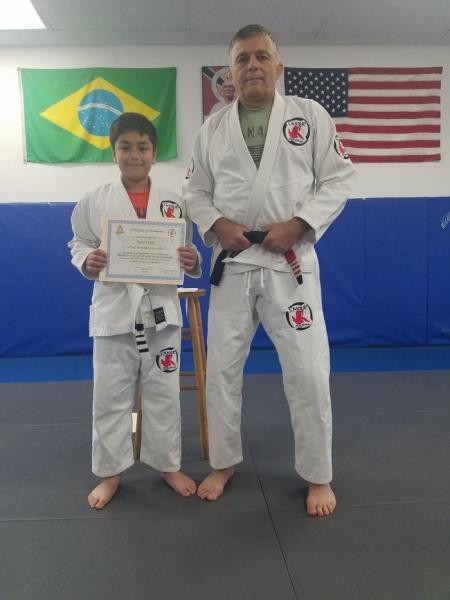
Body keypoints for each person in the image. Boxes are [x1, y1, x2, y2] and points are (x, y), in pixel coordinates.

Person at [183, 25, 355, 516]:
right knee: (221, 371)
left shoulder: (309, 115)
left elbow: (339, 179)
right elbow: (194, 191)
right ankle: (223, 462)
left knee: (308, 372)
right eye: (242, 59)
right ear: (230, 73)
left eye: (261, 56)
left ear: (278, 67)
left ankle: (318, 475)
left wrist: (298, 225)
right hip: (235, 264)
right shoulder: (213, 128)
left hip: (289, 263)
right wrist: (218, 224)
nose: (253, 65)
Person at [69, 112, 201, 509]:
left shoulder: (174, 202)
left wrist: (192, 259)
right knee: (111, 396)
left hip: (161, 313)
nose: (134, 155)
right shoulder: (94, 200)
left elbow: (185, 251)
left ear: (154, 153)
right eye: (125, 147)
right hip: (114, 313)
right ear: (114, 152)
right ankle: (111, 473)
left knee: (163, 393)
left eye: (142, 147)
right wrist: (87, 259)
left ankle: (167, 465)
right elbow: (78, 242)